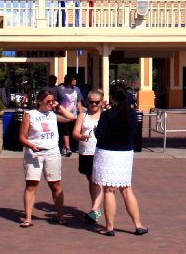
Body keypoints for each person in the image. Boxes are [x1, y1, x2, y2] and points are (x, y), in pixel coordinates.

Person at [93, 83, 147, 236]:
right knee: (127, 189)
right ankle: (138, 225)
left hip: (108, 153)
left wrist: (96, 130)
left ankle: (109, 227)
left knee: (109, 189)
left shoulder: (107, 115)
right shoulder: (132, 113)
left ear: (111, 97)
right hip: (125, 153)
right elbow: (134, 131)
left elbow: (100, 136)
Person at [19, 89, 75, 227]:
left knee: (55, 184)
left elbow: (71, 117)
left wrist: (58, 106)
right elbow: (21, 136)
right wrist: (31, 145)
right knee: (31, 185)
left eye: (52, 101)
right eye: (47, 101)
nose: (50, 104)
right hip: (34, 153)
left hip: (52, 152)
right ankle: (28, 218)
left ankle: (60, 216)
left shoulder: (53, 115)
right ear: (40, 101)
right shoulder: (30, 115)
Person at [73, 89, 105, 224]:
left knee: (97, 181)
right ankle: (95, 208)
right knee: (91, 180)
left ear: (101, 103)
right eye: (91, 102)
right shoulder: (83, 115)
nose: (93, 105)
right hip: (86, 152)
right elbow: (75, 133)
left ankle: (95, 210)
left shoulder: (105, 116)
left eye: (96, 103)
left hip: (100, 152)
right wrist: (81, 136)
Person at [55, 73, 80, 157]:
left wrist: (80, 113)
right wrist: (57, 110)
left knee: (72, 131)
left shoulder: (77, 89)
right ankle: (67, 147)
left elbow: (79, 102)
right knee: (65, 130)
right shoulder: (60, 89)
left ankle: (69, 147)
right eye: (74, 79)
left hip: (74, 114)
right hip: (63, 114)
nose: (75, 81)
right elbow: (55, 101)